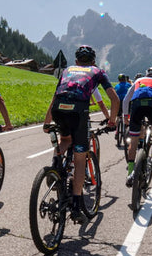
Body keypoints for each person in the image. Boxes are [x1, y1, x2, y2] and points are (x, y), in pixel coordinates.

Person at [43, 45, 120, 223]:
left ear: (76, 61)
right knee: (79, 158)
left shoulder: (68, 70)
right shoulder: (98, 71)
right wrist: (112, 121)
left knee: (65, 139)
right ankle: (77, 206)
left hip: (59, 109)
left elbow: (55, 97)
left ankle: (56, 165)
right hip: (78, 112)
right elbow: (114, 98)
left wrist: (47, 122)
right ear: (93, 61)